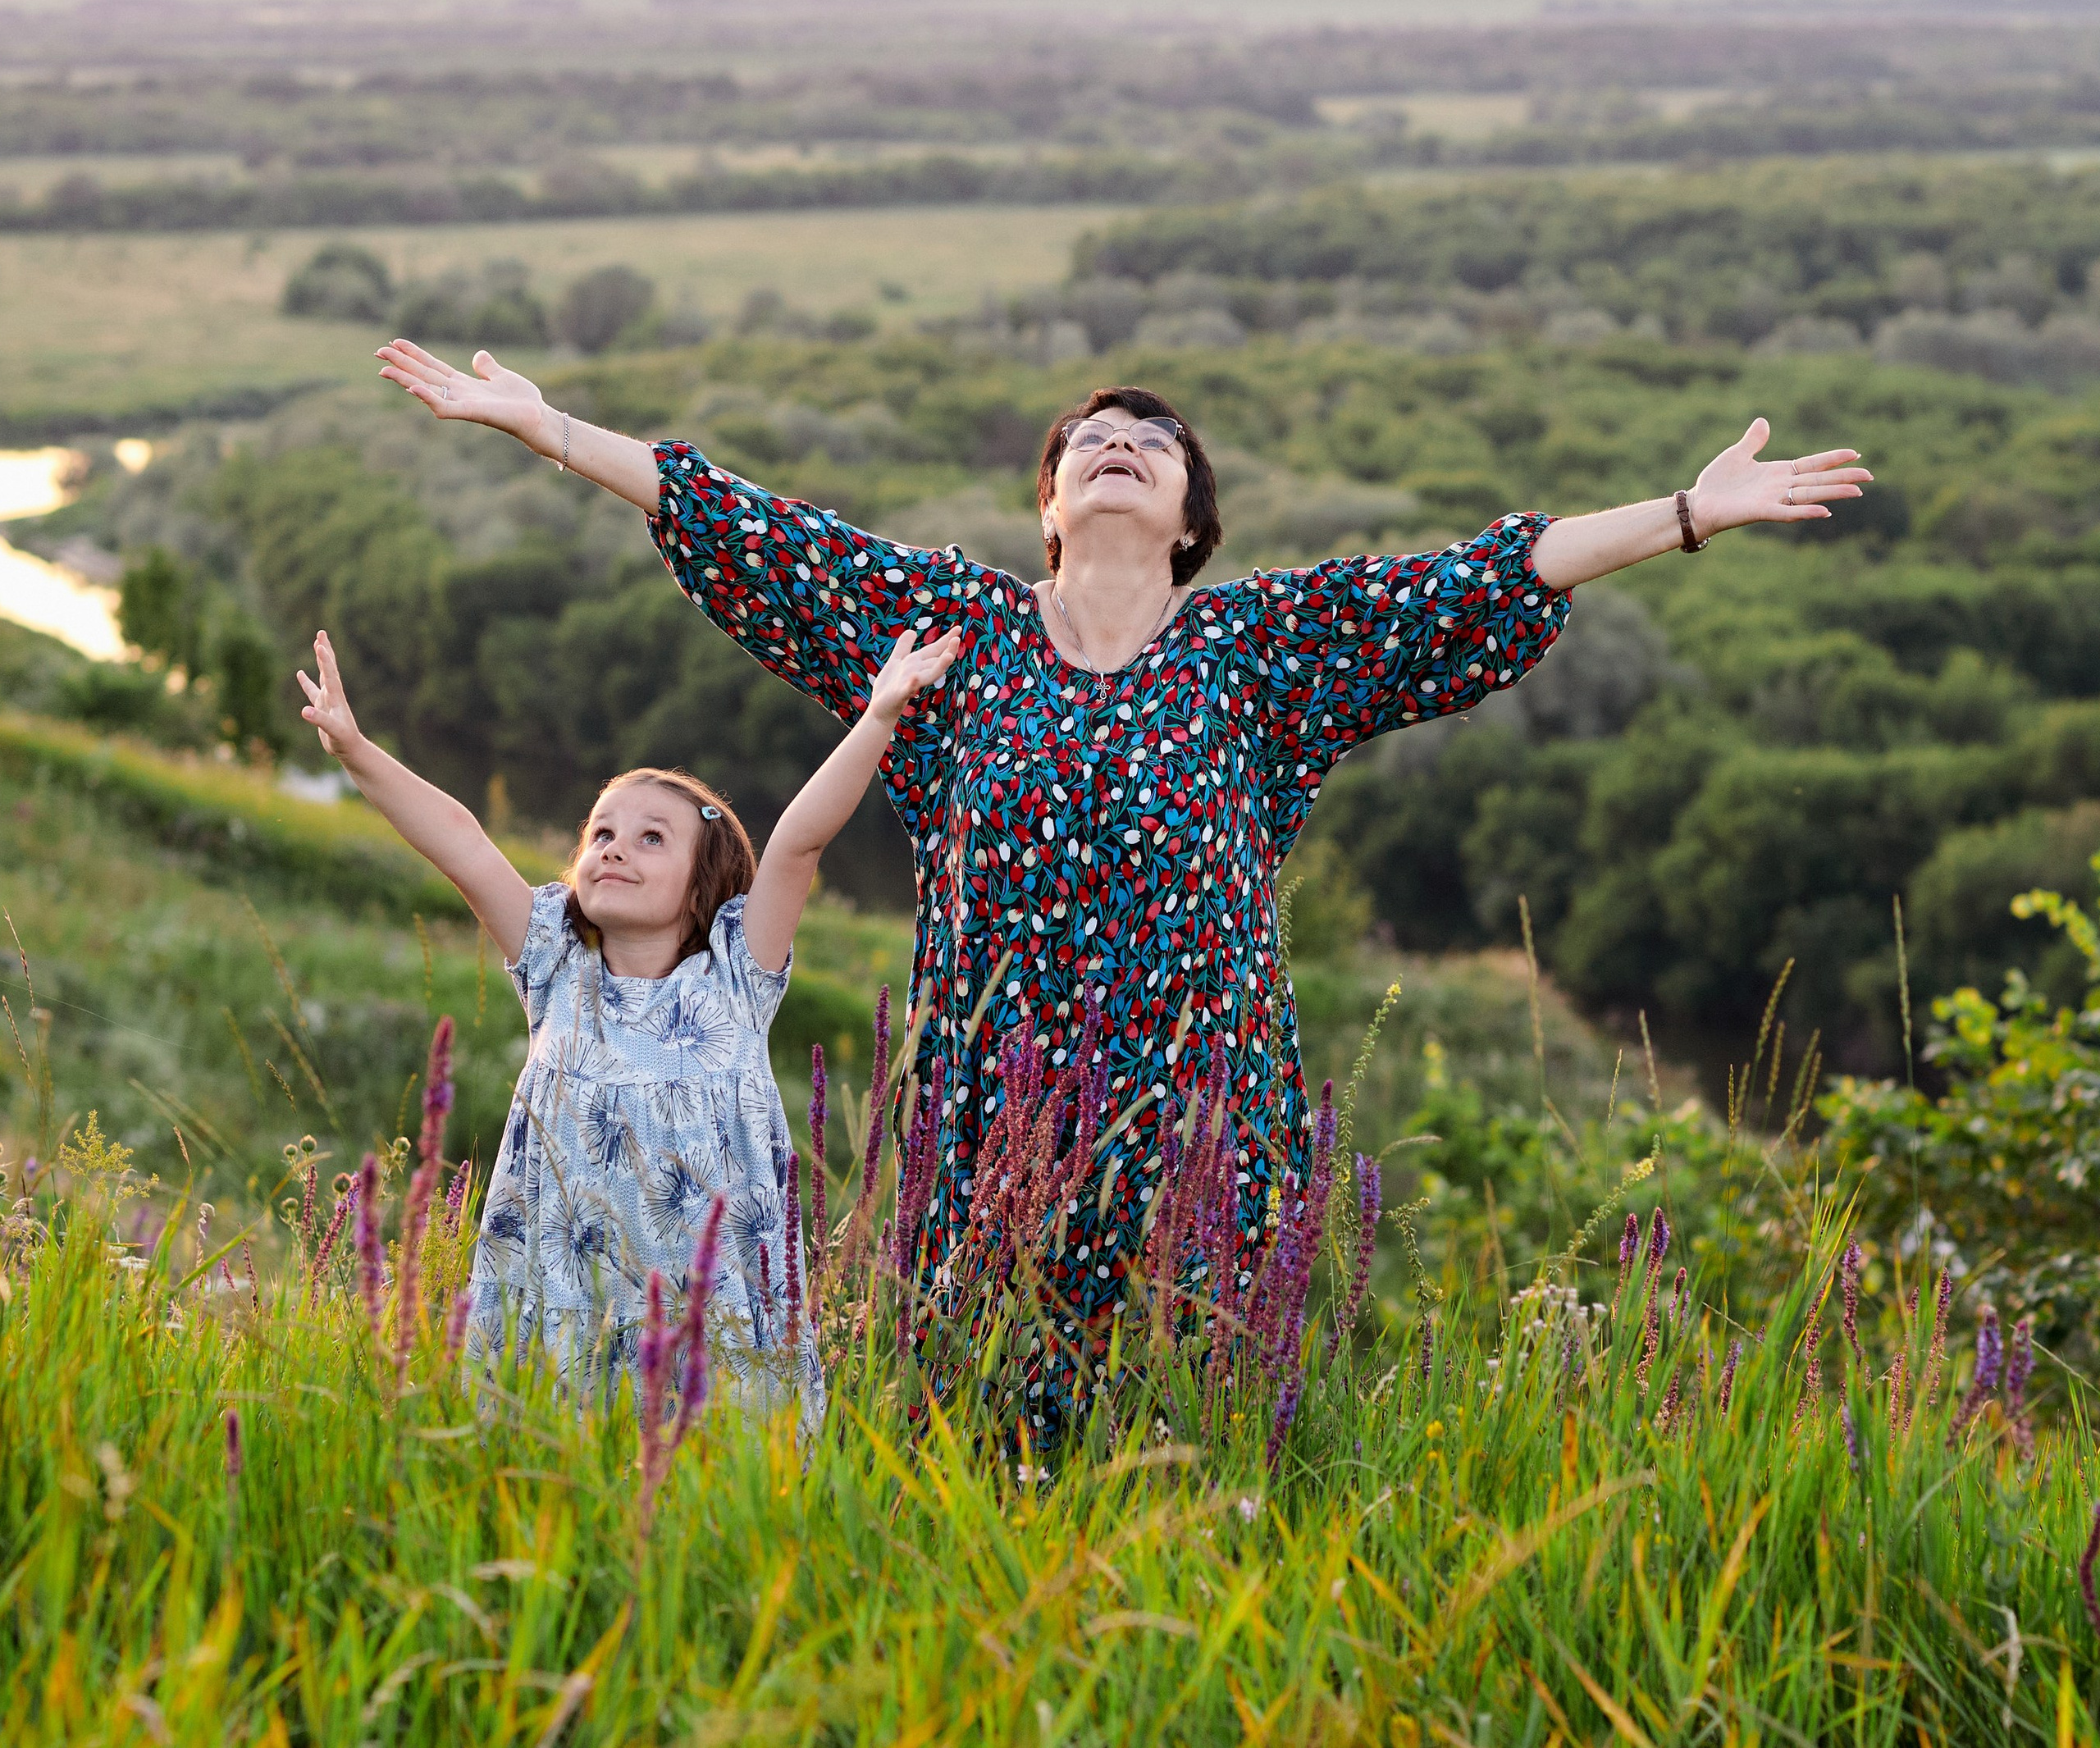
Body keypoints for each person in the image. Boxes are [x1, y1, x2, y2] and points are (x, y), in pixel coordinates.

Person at [377, 338, 1869, 1433]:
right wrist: (541, 424)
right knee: (973, 1417)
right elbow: (755, 534)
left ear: (1189, 523)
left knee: (1193, 1423)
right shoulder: (953, 627)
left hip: (1204, 1117)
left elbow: (1488, 577)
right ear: (1048, 509)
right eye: (1088, 435)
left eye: (1151, 440)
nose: (1116, 440)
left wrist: (1686, 511)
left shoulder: (1257, 649)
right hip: (991, 1121)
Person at [294, 614, 959, 1420]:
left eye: (651, 839)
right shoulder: (554, 960)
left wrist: (878, 716)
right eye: (601, 832)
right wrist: (355, 749)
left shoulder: (735, 976)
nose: (613, 848)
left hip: (713, 1321)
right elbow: (463, 843)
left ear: (703, 882)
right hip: (563, 1307)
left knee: (708, 1501)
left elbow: (797, 845)